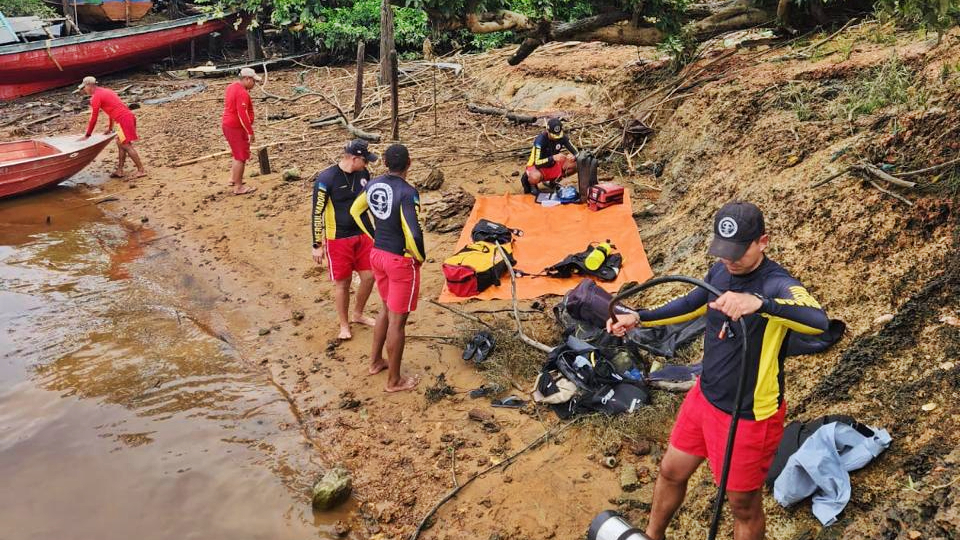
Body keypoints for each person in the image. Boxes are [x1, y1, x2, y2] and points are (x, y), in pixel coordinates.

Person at [607, 201, 829, 540]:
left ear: (763, 242)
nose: (729, 259)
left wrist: (761, 305)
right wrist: (639, 317)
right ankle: (652, 536)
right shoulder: (721, 271)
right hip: (705, 397)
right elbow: (691, 304)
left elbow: (818, 320)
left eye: (738, 251)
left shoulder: (776, 284)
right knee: (670, 471)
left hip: (749, 415)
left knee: (743, 505)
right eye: (723, 250)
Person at [349, 144, 424, 393]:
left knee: (385, 308)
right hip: (399, 260)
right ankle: (394, 381)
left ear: (385, 163)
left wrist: (374, 236)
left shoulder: (373, 184)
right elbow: (412, 231)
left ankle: (375, 362)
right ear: (409, 163)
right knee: (398, 321)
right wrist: (419, 256)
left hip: (378, 255)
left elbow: (356, 210)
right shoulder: (407, 192)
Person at [311, 140, 380, 340]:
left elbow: (370, 205)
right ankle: (344, 325)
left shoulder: (364, 175)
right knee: (343, 283)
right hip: (337, 238)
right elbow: (317, 212)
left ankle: (358, 313)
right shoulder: (326, 179)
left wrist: (377, 233)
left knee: (369, 276)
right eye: (365, 161)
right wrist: (316, 244)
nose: (367, 165)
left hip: (362, 234)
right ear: (354, 158)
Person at [78, 76, 146, 179]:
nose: (84, 90)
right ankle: (120, 170)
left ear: (89, 86)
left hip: (123, 120)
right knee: (120, 143)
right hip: (125, 118)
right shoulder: (106, 91)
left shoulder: (96, 97)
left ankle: (141, 170)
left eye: (84, 87)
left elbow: (94, 118)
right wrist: (110, 128)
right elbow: (111, 111)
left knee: (126, 145)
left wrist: (88, 135)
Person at [221, 67, 261, 196]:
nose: (254, 84)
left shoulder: (231, 87)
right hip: (236, 127)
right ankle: (238, 187)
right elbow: (242, 114)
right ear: (247, 79)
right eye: (254, 81)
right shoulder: (242, 93)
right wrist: (250, 131)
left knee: (236, 152)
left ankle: (234, 178)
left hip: (228, 124)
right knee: (241, 156)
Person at [521, 117, 578, 195]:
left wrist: (574, 157)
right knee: (535, 177)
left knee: (576, 165)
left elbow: (577, 153)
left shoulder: (562, 137)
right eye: (553, 136)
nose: (556, 138)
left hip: (553, 164)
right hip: (538, 166)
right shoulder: (540, 140)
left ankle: (554, 182)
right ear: (547, 131)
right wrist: (553, 158)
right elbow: (537, 162)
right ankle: (532, 185)